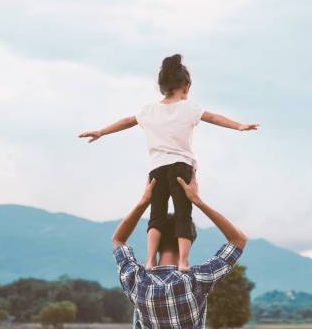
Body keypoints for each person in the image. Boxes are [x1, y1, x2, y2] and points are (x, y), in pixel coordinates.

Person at [80, 54, 258, 271]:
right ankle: (183, 262)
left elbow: (127, 121)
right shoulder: (189, 107)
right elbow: (213, 117)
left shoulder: (147, 110)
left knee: (156, 215)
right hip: (181, 166)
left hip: (156, 168)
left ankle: (149, 261)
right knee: (183, 213)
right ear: (185, 85)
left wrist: (101, 131)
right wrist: (238, 126)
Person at [111, 173, 247, 329]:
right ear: (188, 241)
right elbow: (238, 240)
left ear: (154, 242)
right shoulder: (196, 281)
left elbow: (118, 240)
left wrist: (144, 202)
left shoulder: (137, 281)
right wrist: (196, 201)